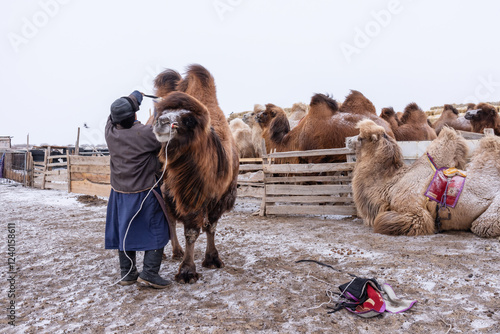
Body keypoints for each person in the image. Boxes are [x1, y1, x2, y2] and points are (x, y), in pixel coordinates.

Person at [104, 90, 171, 289]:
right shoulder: (145, 134)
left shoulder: (110, 132)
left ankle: (128, 274)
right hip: (145, 192)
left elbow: (114, 114)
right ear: (134, 115)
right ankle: (149, 273)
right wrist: (164, 111)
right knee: (159, 229)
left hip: (119, 194)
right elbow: (167, 133)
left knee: (124, 231)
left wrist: (135, 98)